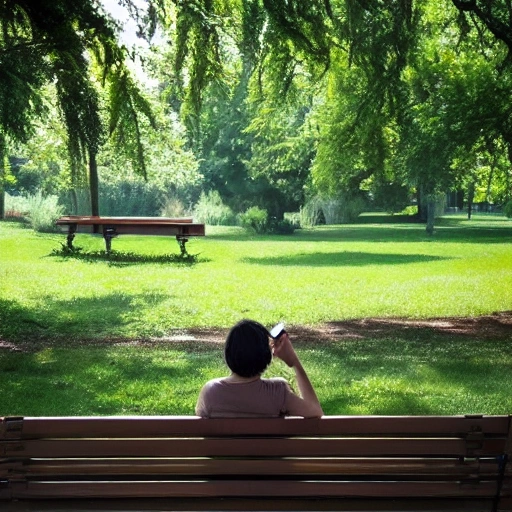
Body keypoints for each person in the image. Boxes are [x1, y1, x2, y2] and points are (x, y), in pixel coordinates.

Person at [195, 319, 323, 418]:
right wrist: (294, 362)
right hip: (268, 452)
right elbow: (315, 411)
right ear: (266, 357)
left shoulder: (211, 392)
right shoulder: (278, 392)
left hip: (225, 453)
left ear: (228, 354)